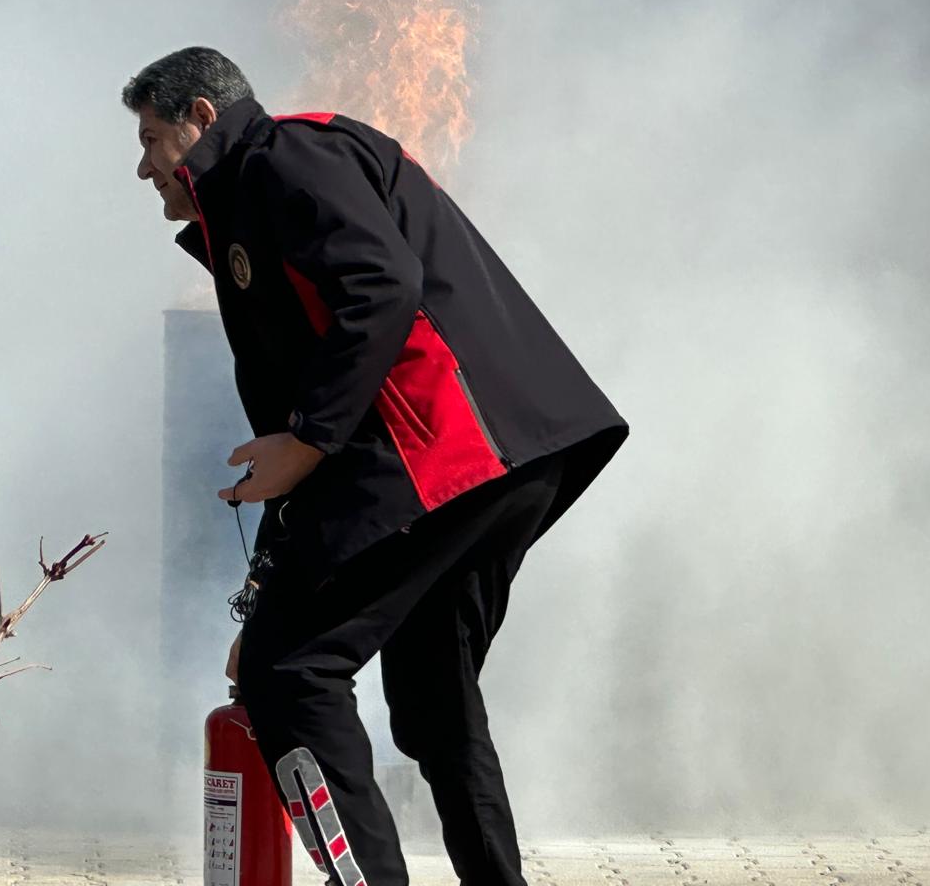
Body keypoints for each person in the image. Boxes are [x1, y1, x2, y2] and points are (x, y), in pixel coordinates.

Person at [124, 47, 628, 885]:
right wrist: (267, 587)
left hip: (443, 456)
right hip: (486, 465)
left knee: (291, 675)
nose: (143, 169)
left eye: (150, 138)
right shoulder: (251, 201)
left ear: (203, 118)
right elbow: (298, 449)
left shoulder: (287, 156)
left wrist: (312, 440)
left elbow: (382, 287)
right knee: (432, 703)